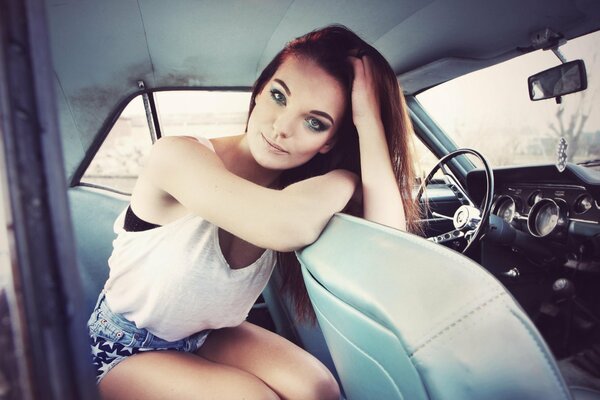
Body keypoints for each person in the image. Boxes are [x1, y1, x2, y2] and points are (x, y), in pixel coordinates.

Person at [88, 25, 421, 399]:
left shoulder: (301, 195)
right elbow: (280, 224)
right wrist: (347, 178)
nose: (281, 128)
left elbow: (388, 247)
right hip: (125, 346)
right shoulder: (175, 156)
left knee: (319, 389)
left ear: (330, 142)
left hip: (206, 334)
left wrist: (369, 123)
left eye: (314, 123)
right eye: (279, 96)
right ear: (259, 92)